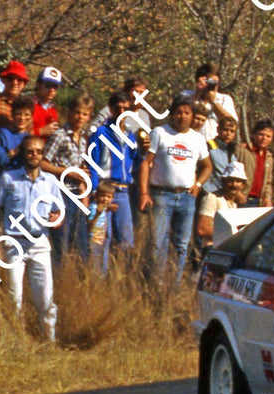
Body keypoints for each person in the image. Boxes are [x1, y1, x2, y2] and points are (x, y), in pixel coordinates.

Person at [0, 135, 63, 341]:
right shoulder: (9, 179)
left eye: (38, 152)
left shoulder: (50, 182)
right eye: (30, 151)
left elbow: (59, 210)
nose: (34, 155)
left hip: (40, 242)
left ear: (43, 155)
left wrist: (57, 218)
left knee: (45, 298)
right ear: (23, 154)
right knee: (14, 296)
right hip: (14, 242)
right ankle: (16, 340)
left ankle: (48, 341)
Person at [139, 99, 211, 283]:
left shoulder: (197, 139)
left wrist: (198, 185)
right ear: (172, 114)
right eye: (179, 112)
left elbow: (207, 166)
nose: (183, 116)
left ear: (193, 116)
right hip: (162, 194)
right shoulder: (160, 133)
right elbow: (146, 163)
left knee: (181, 244)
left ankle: (174, 284)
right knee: (157, 242)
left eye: (187, 113)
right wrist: (144, 192)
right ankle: (156, 282)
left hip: (187, 197)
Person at [41, 92, 96, 258]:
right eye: (77, 112)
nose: (80, 117)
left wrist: (84, 189)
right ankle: (56, 280)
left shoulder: (84, 139)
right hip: (60, 192)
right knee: (61, 243)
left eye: (84, 114)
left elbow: (80, 167)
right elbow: (43, 163)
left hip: (76, 193)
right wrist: (66, 172)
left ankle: (80, 280)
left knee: (81, 244)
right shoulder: (60, 136)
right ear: (70, 113)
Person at [88, 90, 139, 261]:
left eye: (126, 109)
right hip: (104, 188)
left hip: (123, 191)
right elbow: (92, 163)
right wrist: (95, 190)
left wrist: (143, 152)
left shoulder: (130, 135)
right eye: (118, 108)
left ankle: (120, 278)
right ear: (111, 109)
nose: (122, 112)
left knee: (125, 239)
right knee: (101, 239)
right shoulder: (100, 133)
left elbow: (133, 163)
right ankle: (97, 279)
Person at [183, 62, 238, 142]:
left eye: (215, 82)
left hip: (215, 145)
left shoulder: (225, 99)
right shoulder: (187, 95)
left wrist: (214, 102)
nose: (213, 86)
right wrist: (198, 94)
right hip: (190, 142)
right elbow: (178, 114)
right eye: (210, 82)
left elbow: (232, 123)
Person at [195, 169, 249, 249]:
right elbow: (202, 229)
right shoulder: (211, 198)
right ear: (223, 181)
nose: (234, 185)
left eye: (238, 181)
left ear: (243, 185)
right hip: (212, 248)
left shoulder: (234, 204)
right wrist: (232, 235)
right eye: (230, 181)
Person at [238, 118, 274, 208]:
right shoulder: (243, 151)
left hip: (258, 202)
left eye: (268, 136)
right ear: (254, 134)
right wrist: (237, 193)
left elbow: (268, 182)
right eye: (261, 134)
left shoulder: (268, 157)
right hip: (241, 198)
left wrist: (267, 198)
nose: (264, 138)